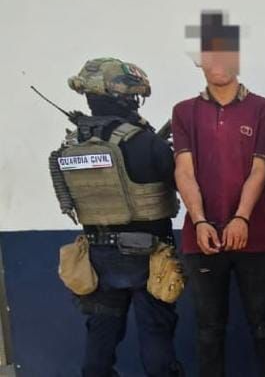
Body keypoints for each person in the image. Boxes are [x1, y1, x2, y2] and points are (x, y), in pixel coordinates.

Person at [50, 57, 183, 376]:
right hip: (150, 254)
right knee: (155, 338)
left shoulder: (70, 146)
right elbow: (180, 182)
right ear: (126, 96)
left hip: (97, 255)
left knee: (101, 339)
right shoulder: (146, 142)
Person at [172, 10, 265, 376]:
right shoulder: (184, 112)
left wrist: (241, 217)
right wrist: (200, 221)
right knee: (208, 329)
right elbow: (184, 171)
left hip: (255, 234)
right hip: (201, 237)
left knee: (263, 324)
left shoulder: (263, 109)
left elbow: (260, 169)